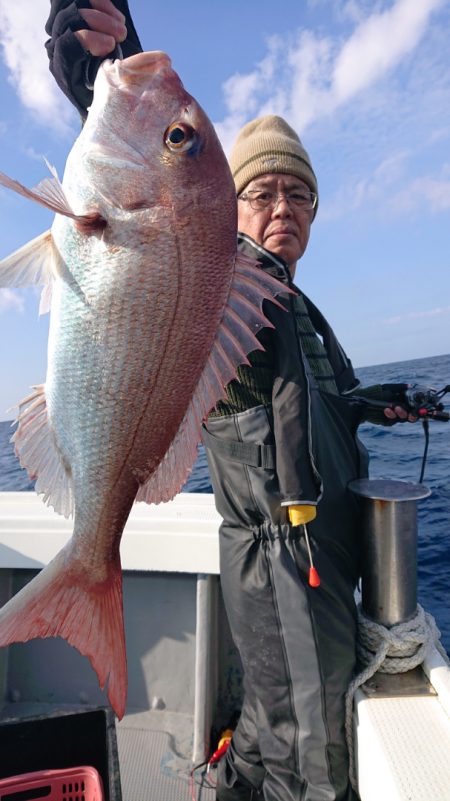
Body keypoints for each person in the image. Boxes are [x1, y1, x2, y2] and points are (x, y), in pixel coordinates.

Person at [45, 3, 416, 799]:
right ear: (231, 207)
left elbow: (307, 413)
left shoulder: (298, 309)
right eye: (263, 192)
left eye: (300, 194)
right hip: (280, 577)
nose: (283, 208)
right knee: (306, 769)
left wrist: (374, 406)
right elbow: (163, 194)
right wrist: (108, 74)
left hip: (324, 576)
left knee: (289, 743)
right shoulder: (225, 286)